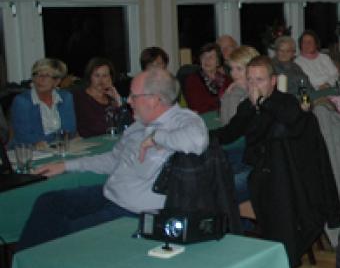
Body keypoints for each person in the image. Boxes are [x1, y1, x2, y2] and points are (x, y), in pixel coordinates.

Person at [21, 68, 207, 250]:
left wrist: (156, 137)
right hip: (110, 195)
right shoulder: (139, 123)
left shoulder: (183, 120)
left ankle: (37, 266)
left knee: (62, 235)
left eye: (134, 96)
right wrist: (66, 165)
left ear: (155, 99)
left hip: (133, 212)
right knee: (49, 202)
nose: (129, 102)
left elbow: (198, 141)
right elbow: (113, 159)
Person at [212, 56, 340, 268]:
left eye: (260, 80)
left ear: (273, 81)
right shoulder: (247, 106)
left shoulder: (286, 102)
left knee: (220, 187)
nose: (254, 86)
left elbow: (291, 117)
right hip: (260, 169)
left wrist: (262, 103)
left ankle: (238, 250)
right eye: (250, 80)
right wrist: (198, 137)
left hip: (281, 178)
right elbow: (228, 133)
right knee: (212, 179)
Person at [10, 58, 76, 146]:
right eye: (37, 74)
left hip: (60, 146)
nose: (40, 79)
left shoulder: (65, 97)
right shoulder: (22, 101)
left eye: (46, 76)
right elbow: (24, 137)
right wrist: (57, 137)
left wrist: (57, 139)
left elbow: (70, 130)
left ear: (57, 81)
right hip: (30, 151)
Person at [72, 57, 127, 137]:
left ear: (110, 78)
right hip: (91, 143)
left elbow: (128, 123)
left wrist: (118, 99)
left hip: (114, 139)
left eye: (105, 76)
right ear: (90, 76)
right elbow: (98, 127)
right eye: (97, 75)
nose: (101, 80)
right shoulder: (80, 97)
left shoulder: (112, 97)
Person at [182, 42, 230, 114]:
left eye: (211, 57)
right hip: (204, 118)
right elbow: (197, 107)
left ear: (218, 62)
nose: (207, 61)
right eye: (203, 57)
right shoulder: (192, 80)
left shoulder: (227, 80)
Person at [219, 45, 260, 126]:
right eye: (231, 69)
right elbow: (228, 123)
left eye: (239, 68)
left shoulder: (262, 87)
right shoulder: (236, 91)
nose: (233, 73)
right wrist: (228, 94)